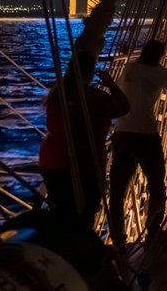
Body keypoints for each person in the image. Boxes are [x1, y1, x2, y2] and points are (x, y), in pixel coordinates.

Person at [108, 39, 167, 248]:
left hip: (122, 133)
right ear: (160, 55)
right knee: (157, 184)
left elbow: (119, 91)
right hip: (146, 134)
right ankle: (153, 231)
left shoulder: (129, 66)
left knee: (117, 190)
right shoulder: (160, 72)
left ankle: (118, 239)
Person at [38, 51, 130, 232]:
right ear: (90, 71)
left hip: (51, 161)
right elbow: (124, 107)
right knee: (84, 212)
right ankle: (79, 253)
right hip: (83, 163)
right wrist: (111, 84)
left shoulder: (58, 93)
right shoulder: (95, 97)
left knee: (60, 211)